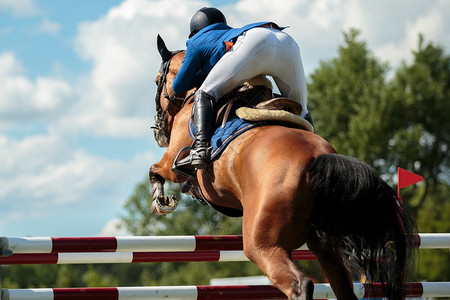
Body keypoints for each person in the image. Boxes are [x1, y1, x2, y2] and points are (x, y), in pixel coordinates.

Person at [173, 7, 313, 171]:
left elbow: (178, 86)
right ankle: (316, 152)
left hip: (255, 42)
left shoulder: (196, 40)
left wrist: (200, 72)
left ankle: (200, 148)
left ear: (195, 30)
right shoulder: (230, 33)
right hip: (285, 40)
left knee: (204, 93)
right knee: (302, 110)